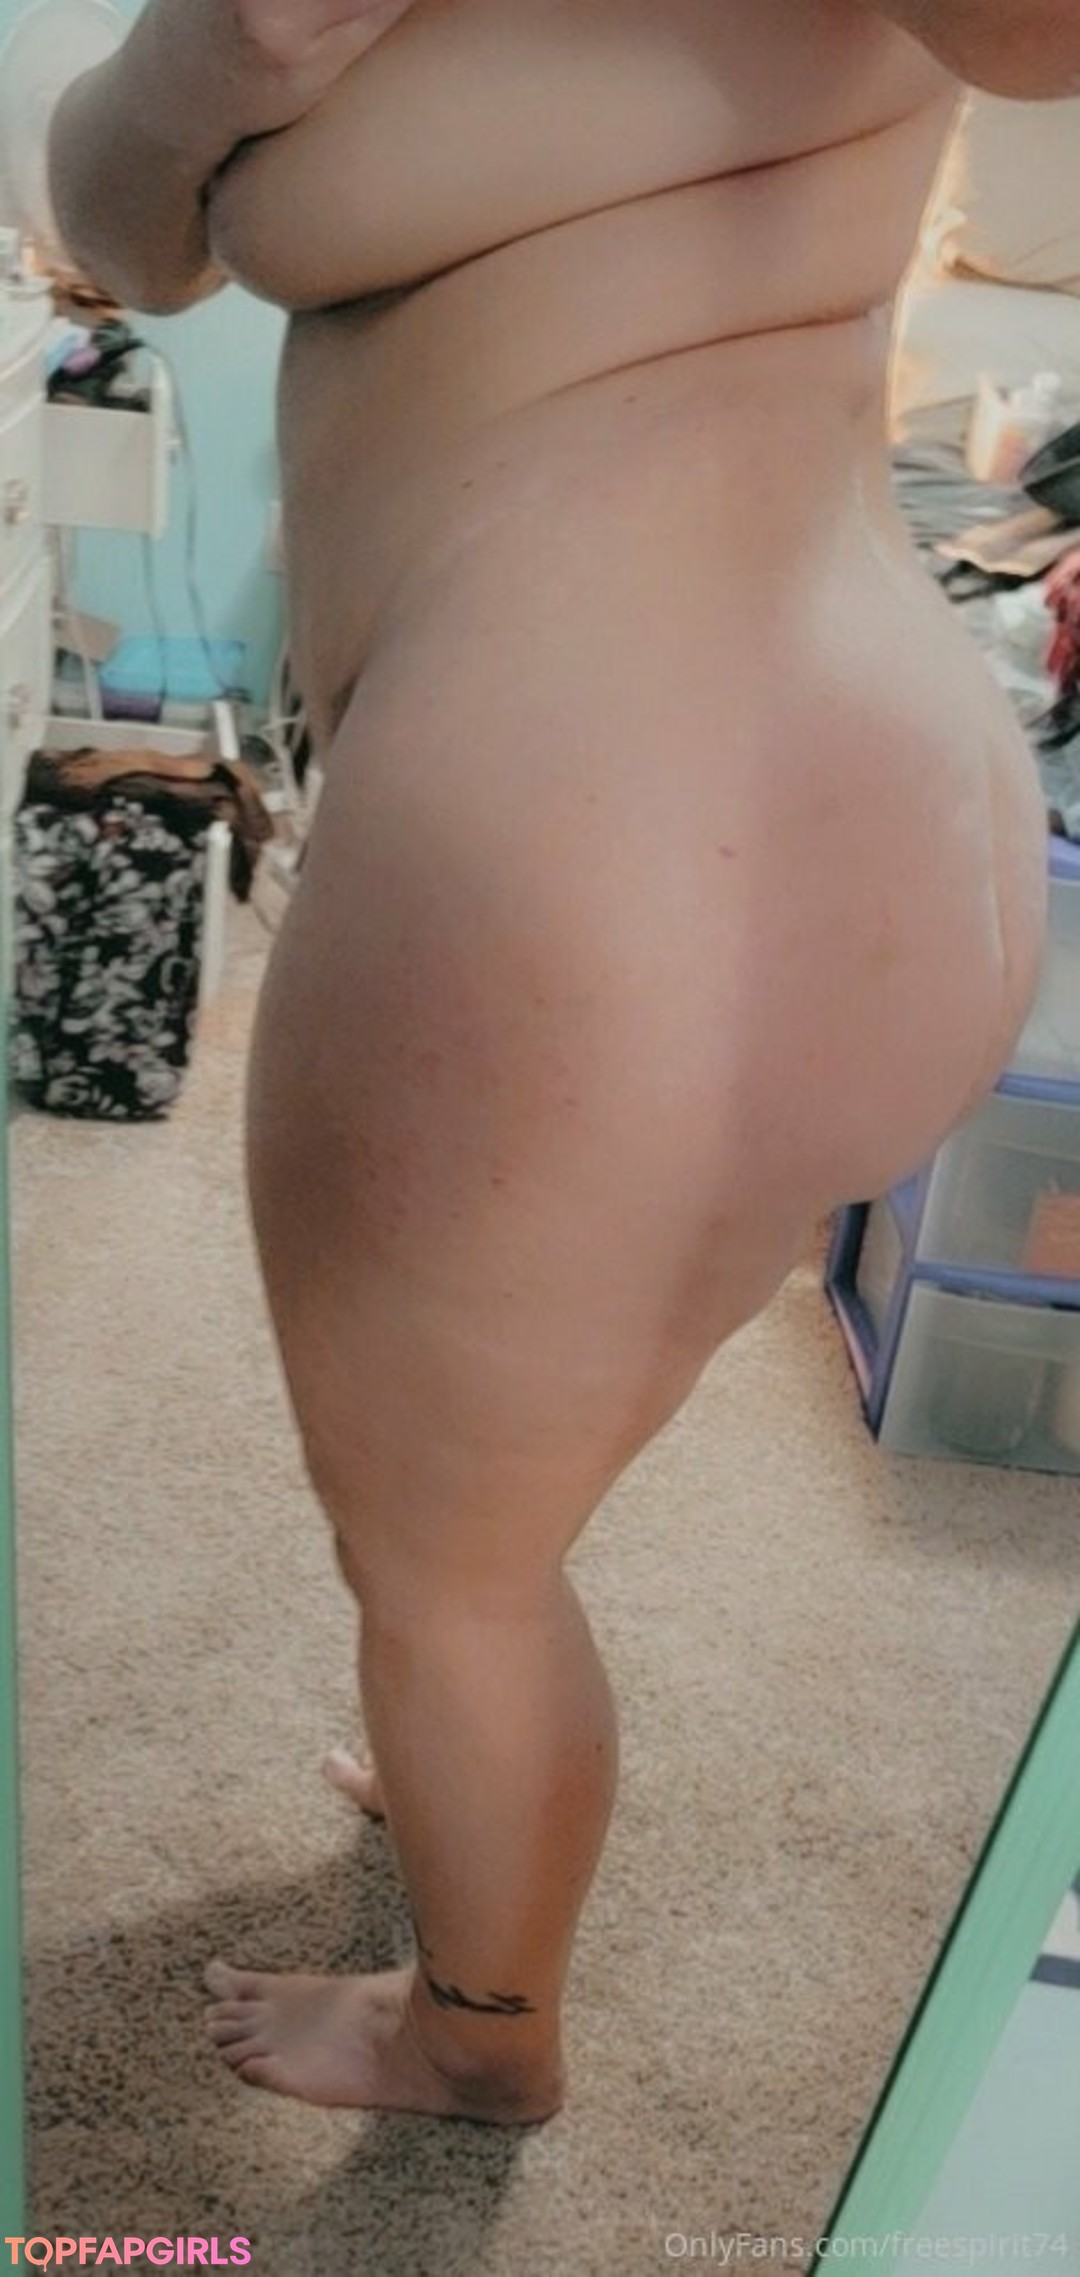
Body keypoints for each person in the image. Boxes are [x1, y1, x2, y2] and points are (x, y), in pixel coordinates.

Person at [48, 0, 1073, 2126]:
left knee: (448, 1568)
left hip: (597, 831)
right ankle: (473, 1734)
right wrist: (209, 66)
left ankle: (477, 2034)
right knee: (506, 1494)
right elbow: (121, 230)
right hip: (859, 810)